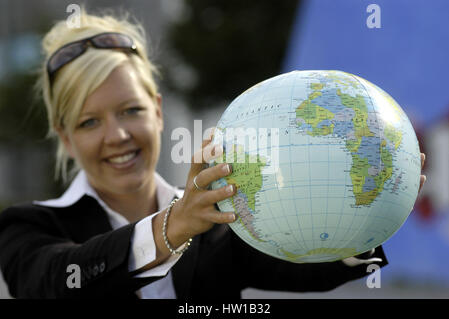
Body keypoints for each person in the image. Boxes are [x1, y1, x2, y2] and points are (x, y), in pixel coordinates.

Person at [0, 8, 426, 299]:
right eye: (89, 122)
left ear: (158, 112)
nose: (118, 135)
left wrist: (380, 204)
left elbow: (308, 260)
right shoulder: (28, 227)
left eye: (131, 111)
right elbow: (53, 281)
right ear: (66, 137)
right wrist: (173, 226)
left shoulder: (223, 219)